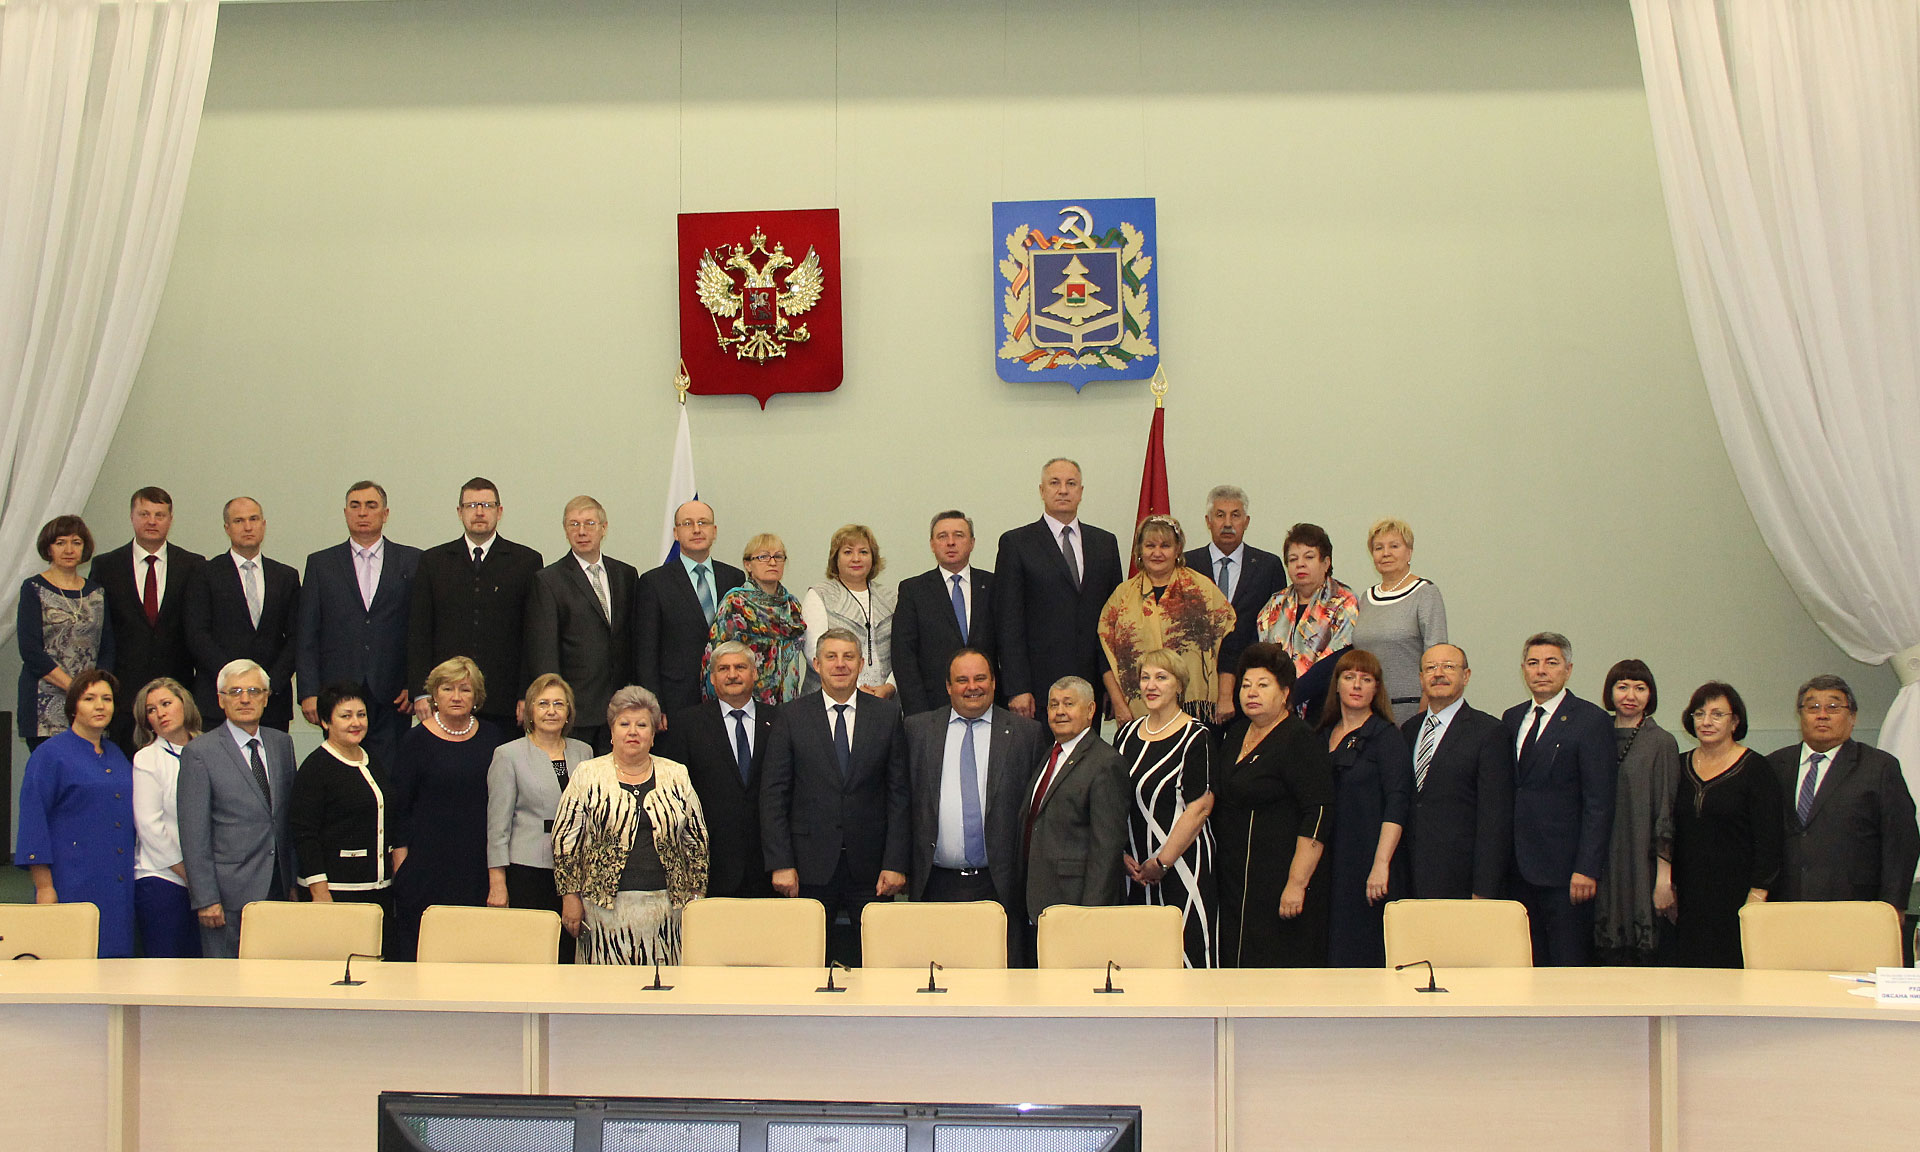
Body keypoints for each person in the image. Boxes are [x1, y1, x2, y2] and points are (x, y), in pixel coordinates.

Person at [759, 627, 911, 967]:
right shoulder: (791, 716)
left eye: (848, 657)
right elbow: (774, 796)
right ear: (816, 664)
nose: (840, 664)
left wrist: (895, 863)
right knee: (804, 965)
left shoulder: (886, 716)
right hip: (806, 867)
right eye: (831, 657)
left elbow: (899, 795)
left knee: (878, 964)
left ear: (861, 664)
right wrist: (781, 863)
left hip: (872, 871)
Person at [906, 649, 1046, 965]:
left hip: (1000, 885)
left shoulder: (1026, 734)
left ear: (994, 683)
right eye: (962, 680)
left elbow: (1037, 814)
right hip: (935, 884)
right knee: (937, 976)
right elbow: (902, 803)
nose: (972, 687)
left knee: (1001, 978)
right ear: (948, 686)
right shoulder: (918, 730)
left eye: (980, 678)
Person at [553, 685, 709, 965]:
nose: (633, 732)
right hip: (602, 911)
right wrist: (569, 897)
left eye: (642, 725)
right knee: (604, 987)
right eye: (624, 724)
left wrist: (697, 896)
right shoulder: (588, 774)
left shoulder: (677, 774)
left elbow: (696, 840)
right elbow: (565, 841)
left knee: (664, 986)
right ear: (612, 732)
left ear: (653, 735)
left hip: (667, 911)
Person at [1212, 644, 1334, 968]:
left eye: (1263, 685)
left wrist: (1297, 883)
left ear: (1285, 693)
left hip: (1280, 881)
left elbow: (1318, 812)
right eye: (1246, 685)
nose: (1251, 693)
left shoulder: (1299, 738)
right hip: (1235, 881)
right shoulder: (1235, 733)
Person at [1503, 632, 1616, 966]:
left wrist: (1587, 869)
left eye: (1551, 663)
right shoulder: (1512, 718)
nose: (1541, 670)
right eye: (1533, 663)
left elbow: (1599, 802)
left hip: (1567, 873)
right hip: (1518, 867)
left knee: (1567, 965)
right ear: (1523, 669)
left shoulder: (1590, 720)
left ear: (1568, 669)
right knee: (1525, 963)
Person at [388, 655, 508, 961]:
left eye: (465, 689)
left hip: (476, 864)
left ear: (476, 696)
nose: (456, 697)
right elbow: (400, 808)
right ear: (434, 695)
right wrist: (402, 868)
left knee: (472, 953)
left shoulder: (494, 737)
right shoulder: (415, 740)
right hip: (424, 866)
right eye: (447, 689)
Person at [1768, 675, 1920, 915]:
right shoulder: (1775, 765)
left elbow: (1901, 842)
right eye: (1813, 707)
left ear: (1853, 717)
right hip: (1785, 904)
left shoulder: (1879, 767)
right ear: (1800, 715)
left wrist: (1894, 906)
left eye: (1833, 707)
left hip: (1856, 906)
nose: (1822, 715)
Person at [296, 481, 422, 769]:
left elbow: (419, 629)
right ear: (345, 513)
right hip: (337, 691)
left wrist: (414, 685)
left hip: (394, 695)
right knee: (341, 770)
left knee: (389, 773)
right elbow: (307, 634)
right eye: (355, 506)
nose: (362, 513)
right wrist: (308, 692)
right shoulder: (321, 564)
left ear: (385, 513)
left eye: (371, 506)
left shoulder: (412, 560)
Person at [177, 658, 297, 958]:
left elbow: (286, 818)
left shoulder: (282, 744)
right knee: (227, 979)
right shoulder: (199, 752)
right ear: (221, 700)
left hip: (278, 887)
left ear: (266, 698)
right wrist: (206, 898)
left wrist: (294, 881)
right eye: (235, 692)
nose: (245, 699)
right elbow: (194, 833)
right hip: (226, 895)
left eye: (254, 691)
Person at [13, 670, 136, 957]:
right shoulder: (49, 754)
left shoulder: (116, 754)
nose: (100, 706)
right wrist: (44, 887)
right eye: (89, 699)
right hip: (71, 880)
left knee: (117, 968)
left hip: (117, 884)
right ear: (73, 706)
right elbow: (33, 822)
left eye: (107, 699)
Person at [407, 477, 543, 731]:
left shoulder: (526, 561)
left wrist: (527, 693)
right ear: (459, 512)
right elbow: (419, 632)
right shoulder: (433, 561)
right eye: (471, 506)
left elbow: (532, 635)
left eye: (487, 505)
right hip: (447, 697)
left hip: (504, 698)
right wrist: (420, 691)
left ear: (499, 511)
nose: (479, 512)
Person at [995, 458, 1124, 721]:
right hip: (1038, 690)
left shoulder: (1105, 543)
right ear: (1042, 491)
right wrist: (1018, 687)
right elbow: (1008, 622)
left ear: (1081, 492)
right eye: (1055, 483)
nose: (1063, 490)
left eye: (1071, 483)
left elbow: (1115, 622)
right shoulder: (1016, 543)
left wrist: (1114, 687)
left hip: (1092, 687)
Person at [1114, 650, 1217, 968]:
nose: (1151, 685)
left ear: (1179, 685)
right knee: (1140, 962)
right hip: (1134, 872)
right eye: (1145, 678)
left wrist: (1162, 862)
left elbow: (1200, 808)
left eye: (1161, 677)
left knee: (1186, 958)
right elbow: (1112, 799)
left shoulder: (1196, 736)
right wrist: (1121, 854)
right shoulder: (1125, 735)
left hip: (1182, 865)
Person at [1671, 682, 1783, 968]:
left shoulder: (1756, 768)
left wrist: (1758, 893)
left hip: (1738, 896)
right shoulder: (1678, 766)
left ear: (1735, 722)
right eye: (1699, 714)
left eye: (1717, 714)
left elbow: (1770, 839)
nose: (1706, 722)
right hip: (1687, 895)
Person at [486, 674, 593, 963]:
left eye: (559, 704)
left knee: (568, 955)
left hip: (576, 870)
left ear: (569, 711)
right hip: (528, 870)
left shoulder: (584, 752)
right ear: (530, 710)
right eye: (543, 704)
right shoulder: (508, 755)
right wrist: (497, 882)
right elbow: (497, 826)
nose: (551, 711)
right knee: (531, 954)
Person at [1317, 649, 1413, 968]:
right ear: (1337, 685)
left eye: (1366, 679)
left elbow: (1398, 802)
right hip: (1328, 865)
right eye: (1349, 677)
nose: (1357, 685)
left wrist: (1381, 864)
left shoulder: (1386, 737)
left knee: (1363, 953)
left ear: (1376, 689)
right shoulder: (1320, 736)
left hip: (1369, 863)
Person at [659, 642, 777, 899]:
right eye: (723, 669)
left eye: (740, 667)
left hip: (768, 867)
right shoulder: (687, 725)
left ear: (754, 673)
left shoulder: (780, 720)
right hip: (710, 867)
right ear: (712, 678)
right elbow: (676, 798)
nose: (732, 675)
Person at [93, 488, 205, 756]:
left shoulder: (193, 565)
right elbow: (100, 631)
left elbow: (196, 629)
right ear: (132, 516)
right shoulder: (106, 566)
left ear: (170, 519)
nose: (152, 521)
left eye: (159, 515)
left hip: (177, 692)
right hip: (123, 695)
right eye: (144, 514)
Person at [289, 682, 398, 955]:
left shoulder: (371, 760)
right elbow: (304, 834)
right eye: (345, 716)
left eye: (361, 714)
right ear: (326, 722)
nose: (356, 722)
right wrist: (319, 891)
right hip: (336, 892)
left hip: (377, 891)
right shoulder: (316, 768)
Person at [524, 496, 639, 754]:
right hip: (577, 708)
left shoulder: (626, 574)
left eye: (589, 523)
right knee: (575, 776)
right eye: (574, 524)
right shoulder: (549, 580)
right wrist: (555, 704)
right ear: (565, 530)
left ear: (604, 528)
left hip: (620, 707)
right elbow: (545, 649)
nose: (582, 531)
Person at [1398, 644, 1512, 901]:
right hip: (1409, 874)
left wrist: (1485, 888)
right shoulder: (1408, 730)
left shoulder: (1489, 732)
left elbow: (1495, 818)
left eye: (1448, 667)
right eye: (1430, 668)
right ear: (1421, 679)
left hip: (1462, 878)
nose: (1438, 674)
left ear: (1466, 676)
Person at [1098, 515, 1234, 725]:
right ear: (1140, 550)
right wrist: (1119, 704)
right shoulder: (1122, 596)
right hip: (1138, 713)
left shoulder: (1202, 590)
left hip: (1195, 712)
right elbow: (1104, 654)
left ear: (1177, 549)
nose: (1157, 553)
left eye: (1165, 546)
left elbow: (1230, 643)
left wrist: (1225, 696)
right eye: (1150, 546)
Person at [184, 498, 300, 731]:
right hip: (219, 700)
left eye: (253, 519)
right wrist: (233, 683)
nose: (248, 527)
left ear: (263, 525)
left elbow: (297, 636)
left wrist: (267, 684)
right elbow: (197, 634)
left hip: (271, 702)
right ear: (227, 528)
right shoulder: (205, 573)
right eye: (239, 521)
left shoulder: (285, 576)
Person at [1024, 676, 1131, 928]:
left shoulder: (1105, 763)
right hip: (1041, 900)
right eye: (1054, 704)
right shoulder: (1050, 755)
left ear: (1091, 710)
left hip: (1077, 906)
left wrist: (1091, 916)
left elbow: (1106, 850)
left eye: (1069, 703)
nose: (1059, 711)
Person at [1593, 659, 1680, 966]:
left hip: (1642, 863)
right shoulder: (1594, 734)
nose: (1630, 695)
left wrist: (1664, 878)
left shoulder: (1661, 742)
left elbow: (1666, 811)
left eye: (1640, 688)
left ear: (1650, 694)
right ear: (1610, 691)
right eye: (1623, 687)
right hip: (1600, 861)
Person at [1184, 486, 1284, 725]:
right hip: (1196, 689)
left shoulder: (1268, 566)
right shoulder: (1186, 565)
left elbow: (1277, 628)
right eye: (1220, 515)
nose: (1227, 523)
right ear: (1208, 521)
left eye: (1235, 515)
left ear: (1246, 522)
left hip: (1252, 687)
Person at [636, 500, 745, 714]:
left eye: (703, 523)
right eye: (687, 523)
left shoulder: (734, 578)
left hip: (728, 695)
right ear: (676, 533)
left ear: (714, 531)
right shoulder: (654, 582)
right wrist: (655, 706)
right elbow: (646, 653)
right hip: (676, 700)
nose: (696, 529)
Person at [16, 515, 113, 751]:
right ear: (48, 548)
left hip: (90, 704)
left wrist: (93, 691)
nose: (69, 550)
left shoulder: (97, 592)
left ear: (84, 548)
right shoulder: (33, 588)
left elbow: (107, 647)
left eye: (76, 542)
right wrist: (74, 687)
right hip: (44, 706)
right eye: (60, 542)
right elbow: (30, 650)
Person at [893, 511, 997, 716]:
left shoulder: (994, 585)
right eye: (942, 536)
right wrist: (918, 713)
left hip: (990, 704)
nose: (950, 542)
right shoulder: (913, 590)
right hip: (932, 706)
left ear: (972, 543)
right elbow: (904, 656)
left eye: (959, 535)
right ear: (932, 544)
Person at [130, 677, 203, 958]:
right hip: (163, 879)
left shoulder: (209, 749)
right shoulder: (147, 758)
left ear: (184, 704)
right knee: (165, 968)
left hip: (206, 882)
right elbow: (150, 827)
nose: (160, 713)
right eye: (151, 710)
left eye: (166, 703)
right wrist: (189, 874)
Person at [1352, 518, 1448, 724]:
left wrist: (1427, 704)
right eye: (1379, 548)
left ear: (1409, 552)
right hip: (1368, 709)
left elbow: (1436, 655)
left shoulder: (1425, 593)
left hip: (1411, 708)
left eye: (1394, 546)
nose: (1386, 553)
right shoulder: (1366, 598)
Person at [703, 533, 806, 706]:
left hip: (788, 705)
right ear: (748, 564)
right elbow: (715, 659)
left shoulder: (792, 606)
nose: (772, 562)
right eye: (763, 557)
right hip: (745, 704)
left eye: (778, 557)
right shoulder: (736, 603)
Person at [801, 524, 898, 697]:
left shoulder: (891, 598)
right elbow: (814, 651)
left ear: (873, 558)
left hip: (884, 699)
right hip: (828, 699)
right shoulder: (819, 594)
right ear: (835, 559)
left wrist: (890, 686)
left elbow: (904, 652)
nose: (856, 558)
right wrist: (856, 689)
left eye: (863, 552)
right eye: (848, 552)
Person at [1255, 523, 1359, 681]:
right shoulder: (1275, 603)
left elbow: (1337, 663)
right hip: (1277, 692)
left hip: (1325, 691)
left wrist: (1295, 692)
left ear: (1326, 563)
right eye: (1293, 559)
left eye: (1309, 557)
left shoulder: (1344, 602)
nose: (1300, 564)